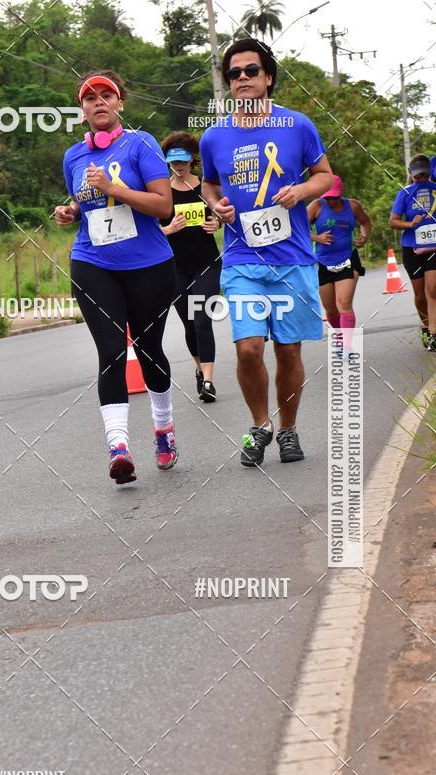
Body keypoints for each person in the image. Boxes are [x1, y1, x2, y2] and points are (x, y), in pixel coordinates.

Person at [200, 39, 333, 467]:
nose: (242, 78)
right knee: (248, 348)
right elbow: (209, 184)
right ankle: (260, 426)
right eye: (234, 73)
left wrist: (301, 190)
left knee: (289, 350)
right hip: (242, 259)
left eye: (251, 71)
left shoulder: (298, 125)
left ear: (268, 77)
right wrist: (216, 205)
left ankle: (289, 430)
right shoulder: (214, 136)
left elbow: (325, 177)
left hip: (292, 257)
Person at [55, 70, 179, 484]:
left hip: (149, 265)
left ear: (120, 102)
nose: (98, 102)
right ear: (83, 111)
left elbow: (163, 207)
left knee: (149, 351)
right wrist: (71, 212)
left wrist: (115, 187)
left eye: (106, 95)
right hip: (93, 263)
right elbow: (84, 202)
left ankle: (163, 428)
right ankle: (119, 448)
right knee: (110, 352)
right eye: (90, 98)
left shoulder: (141, 145)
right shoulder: (74, 156)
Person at [159, 131, 222, 402]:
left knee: (202, 319)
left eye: (183, 160)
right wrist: (169, 229)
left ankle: (208, 380)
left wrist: (216, 223)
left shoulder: (205, 187)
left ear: (193, 159)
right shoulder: (161, 192)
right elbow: (150, 231)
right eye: (173, 161)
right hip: (175, 267)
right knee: (188, 323)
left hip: (207, 263)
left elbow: (221, 212)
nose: (179, 166)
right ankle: (199, 368)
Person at [307, 174, 371, 343]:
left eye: (334, 198)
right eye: (327, 198)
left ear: (340, 193)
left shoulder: (353, 206)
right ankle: (341, 336)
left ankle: (349, 344)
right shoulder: (316, 206)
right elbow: (298, 228)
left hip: (348, 258)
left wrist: (364, 238)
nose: (330, 201)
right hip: (322, 262)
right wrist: (317, 237)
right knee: (331, 309)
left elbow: (365, 222)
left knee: (343, 303)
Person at [389, 153, 436, 351]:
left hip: (434, 247)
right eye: (418, 176)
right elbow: (393, 221)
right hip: (412, 248)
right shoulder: (405, 193)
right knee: (420, 295)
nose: (421, 179)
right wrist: (410, 223)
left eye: (425, 175)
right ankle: (426, 326)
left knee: (433, 289)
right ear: (410, 174)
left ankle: (434, 333)